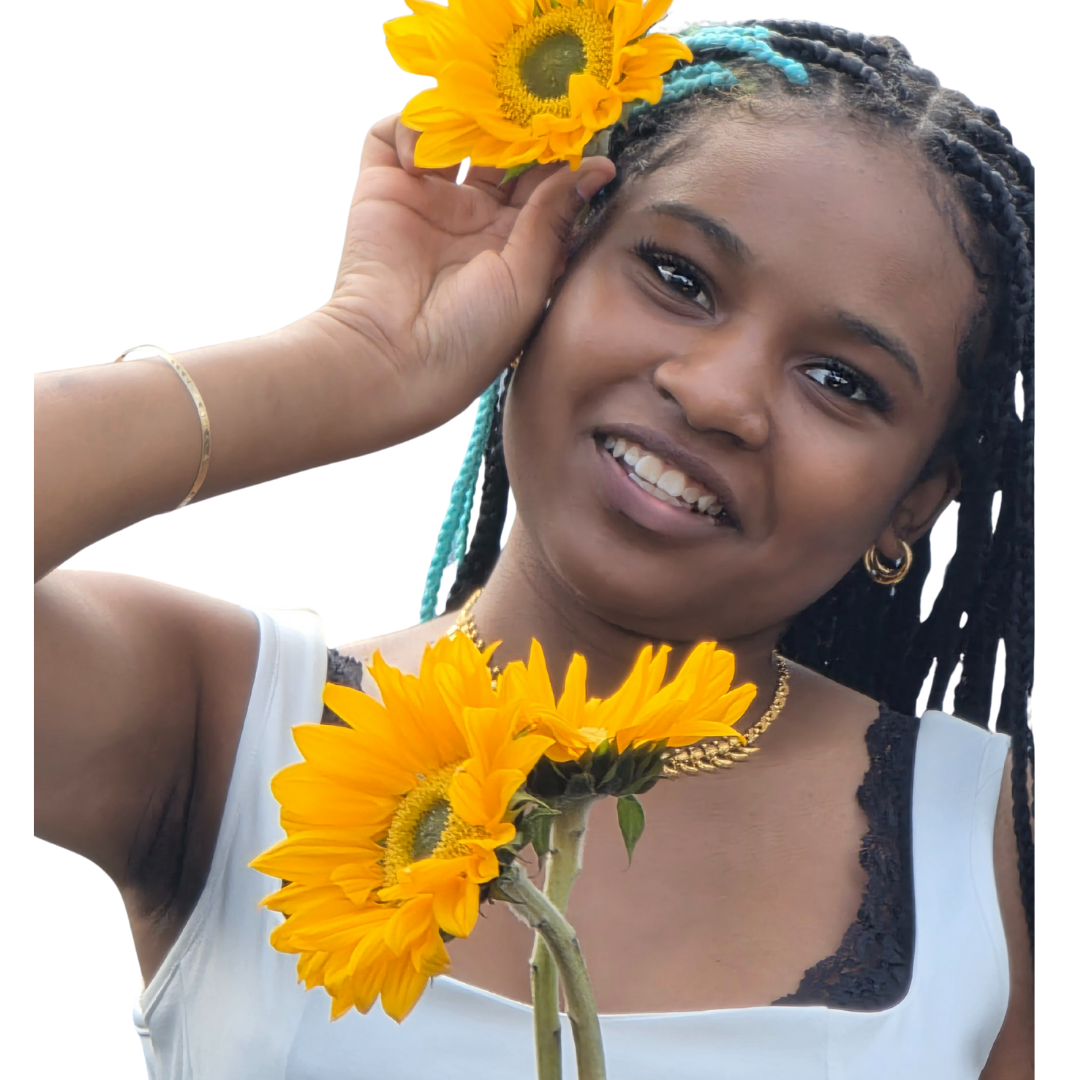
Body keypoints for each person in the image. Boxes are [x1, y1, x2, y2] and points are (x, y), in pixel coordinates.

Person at [34, 17, 1033, 1080]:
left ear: (912, 507)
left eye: (843, 382)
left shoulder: (994, 850)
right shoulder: (220, 724)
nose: (717, 395)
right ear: (550, 270)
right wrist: (355, 356)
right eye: (677, 277)